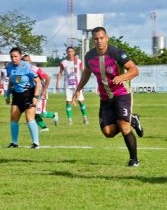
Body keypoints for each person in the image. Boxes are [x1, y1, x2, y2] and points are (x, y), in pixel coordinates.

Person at [72, 26, 144, 166]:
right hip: (105, 98)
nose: (99, 41)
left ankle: (134, 160)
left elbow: (134, 70)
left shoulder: (117, 53)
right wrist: (78, 88)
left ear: (107, 38)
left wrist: (122, 77)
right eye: (96, 39)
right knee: (108, 132)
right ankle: (132, 120)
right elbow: (87, 72)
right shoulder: (89, 56)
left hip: (122, 94)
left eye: (101, 38)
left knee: (124, 127)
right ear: (93, 40)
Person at [5, 47, 41, 149]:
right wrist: (7, 94)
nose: (13, 59)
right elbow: (11, 81)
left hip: (28, 94)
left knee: (29, 118)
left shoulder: (27, 67)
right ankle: (14, 143)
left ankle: (36, 143)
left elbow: (38, 82)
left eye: (16, 56)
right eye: (12, 57)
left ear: (20, 56)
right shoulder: (9, 67)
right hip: (16, 95)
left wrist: (35, 96)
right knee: (13, 118)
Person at [22, 54, 59, 132]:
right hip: (32, 94)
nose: (25, 62)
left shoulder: (35, 69)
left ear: (30, 61)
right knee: (33, 112)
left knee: (41, 113)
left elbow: (48, 78)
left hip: (41, 93)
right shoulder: (22, 71)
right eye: (24, 61)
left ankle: (53, 115)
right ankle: (44, 128)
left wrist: (44, 90)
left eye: (27, 60)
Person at [56, 47, 88, 125]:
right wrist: (57, 82)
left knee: (80, 101)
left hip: (77, 85)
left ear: (74, 52)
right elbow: (60, 73)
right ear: (67, 52)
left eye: (71, 51)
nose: (70, 53)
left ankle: (85, 118)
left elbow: (83, 71)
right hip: (68, 86)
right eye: (68, 51)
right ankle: (69, 120)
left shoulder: (78, 61)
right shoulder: (63, 62)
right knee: (68, 101)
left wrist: (83, 82)